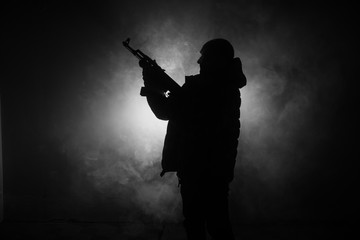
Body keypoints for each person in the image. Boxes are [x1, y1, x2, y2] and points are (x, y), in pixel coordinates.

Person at [140, 38, 246, 240]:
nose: (199, 61)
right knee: (214, 223)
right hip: (213, 168)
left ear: (217, 59)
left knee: (203, 224)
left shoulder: (208, 88)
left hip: (200, 167)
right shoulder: (226, 87)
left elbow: (165, 111)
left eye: (204, 57)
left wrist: (152, 83)